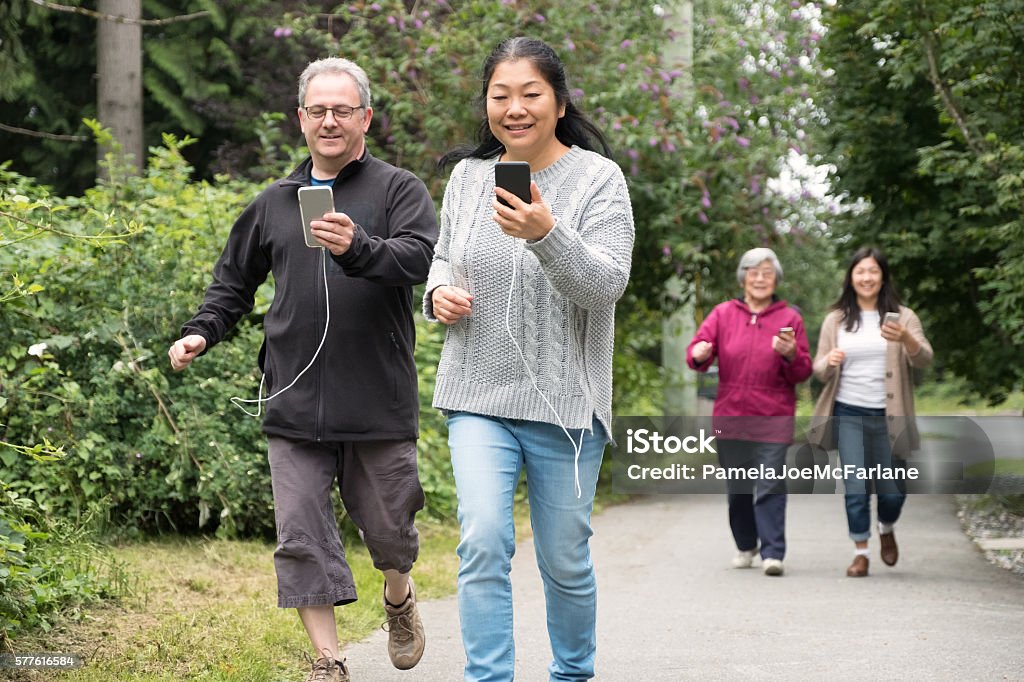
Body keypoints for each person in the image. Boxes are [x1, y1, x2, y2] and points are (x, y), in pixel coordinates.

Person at [167, 57, 438, 682]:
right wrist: (198, 333)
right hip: (292, 399)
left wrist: (358, 247)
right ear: (301, 119)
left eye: (343, 110)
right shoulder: (273, 203)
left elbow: (421, 258)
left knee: (391, 530)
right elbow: (231, 286)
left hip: (376, 398)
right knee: (301, 536)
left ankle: (398, 598)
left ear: (366, 117)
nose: (330, 121)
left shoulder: (398, 189)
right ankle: (328, 661)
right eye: (318, 110)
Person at [424, 37, 634, 682]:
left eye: (530, 94)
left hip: (567, 406)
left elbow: (606, 285)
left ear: (560, 102)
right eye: (500, 95)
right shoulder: (467, 178)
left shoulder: (600, 180)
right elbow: (443, 258)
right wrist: (437, 295)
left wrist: (547, 234)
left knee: (564, 559)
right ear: (487, 104)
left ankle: (572, 673)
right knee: (483, 540)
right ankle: (489, 677)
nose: (514, 108)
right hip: (478, 395)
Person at [686, 247, 812, 577]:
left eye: (767, 273)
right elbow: (697, 353)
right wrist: (699, 353)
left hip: (773, 417)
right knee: (738, 488)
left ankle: (773, 553)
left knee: (770, 484)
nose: (759, 278)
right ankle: (746, 544)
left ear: (776, 279)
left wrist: (789, 354)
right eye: (753, 272)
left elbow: (802, 371)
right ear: (743, 278)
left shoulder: (790, 319)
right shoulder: (723, 313)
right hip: (731, 417)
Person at [809, 247, 932, 577]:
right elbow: (818, 368)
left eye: (873, 271)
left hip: (890, 415)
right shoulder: (835, 320)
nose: (866, 277)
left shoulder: (903, 317)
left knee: (892, 493)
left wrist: (906, 338)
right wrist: (829, 361)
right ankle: (860, 550)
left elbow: (924, 358)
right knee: (856, 485)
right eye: (860, 271)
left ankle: (886, 526)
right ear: (851, 277)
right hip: (849, 412)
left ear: (883, 277)